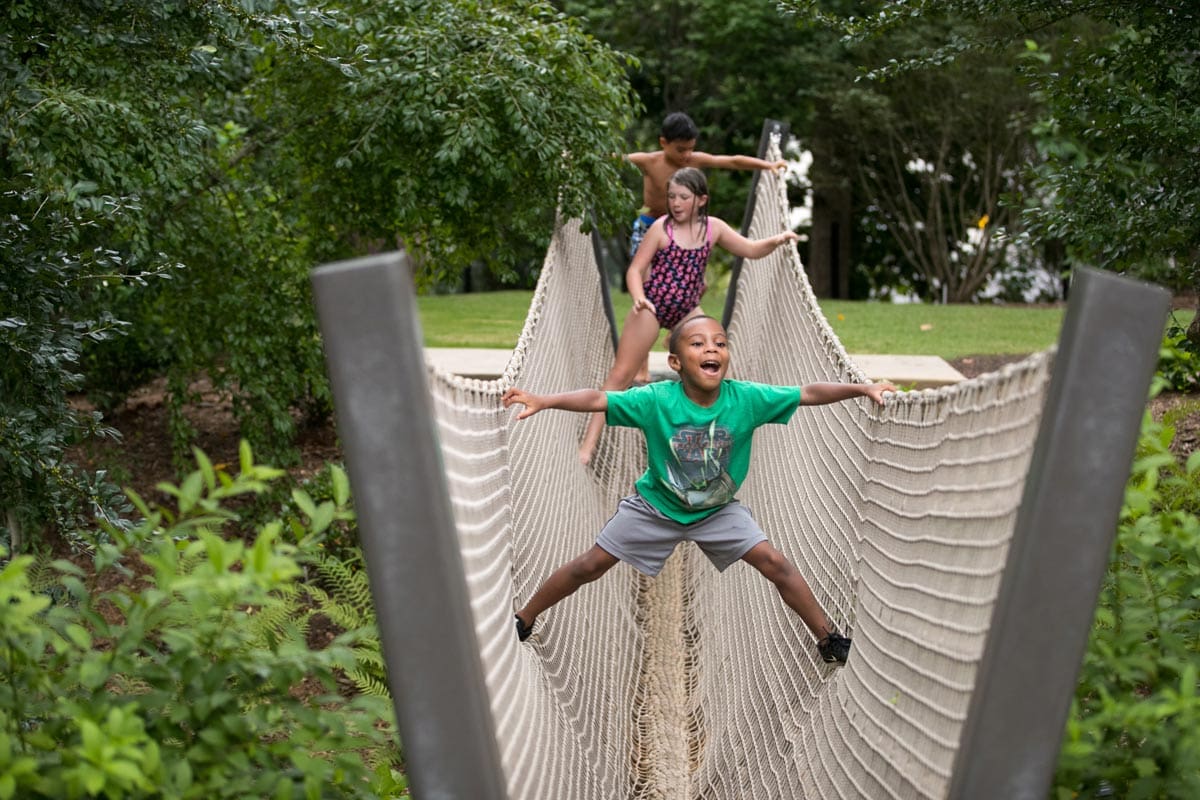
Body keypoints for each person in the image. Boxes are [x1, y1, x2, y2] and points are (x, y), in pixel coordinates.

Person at [502, 314, 896, 666]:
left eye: (720, 343)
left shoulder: (747, 398)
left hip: (717, 511)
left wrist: (862, 390)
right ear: (675, 363)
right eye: (698, 343)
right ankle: (525, 616)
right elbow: (598, 398)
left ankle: (828, 638)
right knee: (590, 565)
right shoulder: (655, 399)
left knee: (775, 563)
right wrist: (545, 400)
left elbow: (807, 393)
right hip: (655, 507)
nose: (712, 348)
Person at [579, 166, 799, 465]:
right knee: (620, 375)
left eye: (683, 197)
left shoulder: (714, 229)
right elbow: (634, 269)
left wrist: (777, 240)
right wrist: (640, 298)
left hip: (687, 310)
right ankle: (588, 446)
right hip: (653, 305)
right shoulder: (661, 228)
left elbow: (749, 249)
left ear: (701, 199)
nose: (676, 203)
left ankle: (715, 439)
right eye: (671, 196)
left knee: (715, 370)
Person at [625, 112, 787, 261]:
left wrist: (767, 165)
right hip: (650, 223)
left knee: (697, 283)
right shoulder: (649, 161)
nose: (687, 155)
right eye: (681, 150)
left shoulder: (695, 160)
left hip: (681, 227)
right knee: (643, 271)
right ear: (663, 142)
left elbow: (732, 161)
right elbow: (615, 159)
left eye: (691, 148)